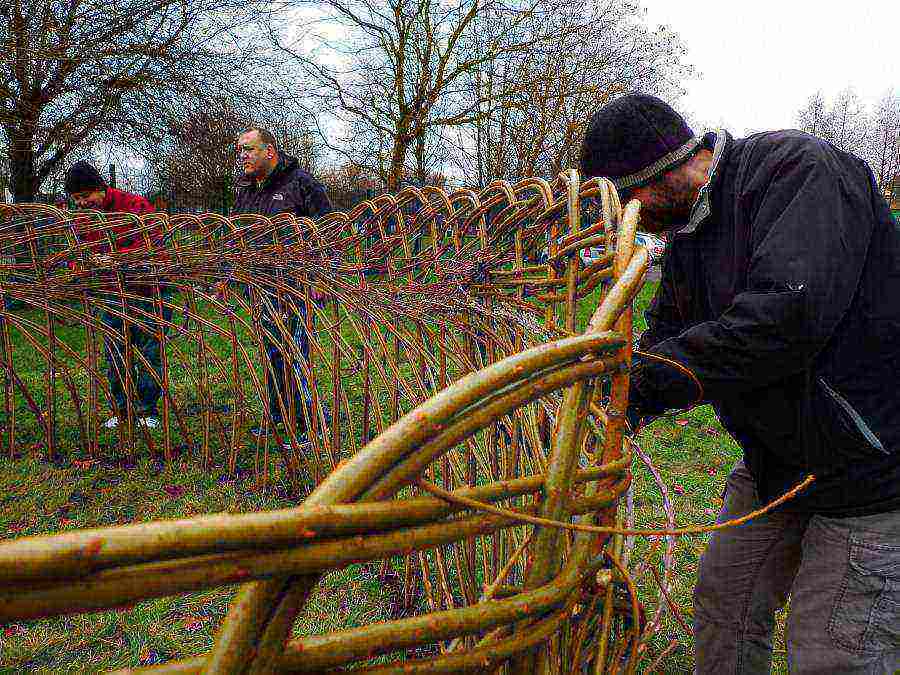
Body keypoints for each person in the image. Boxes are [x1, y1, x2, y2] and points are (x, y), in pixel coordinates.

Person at [580, 94, 900, 674]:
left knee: (833, 647)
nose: (635, 217)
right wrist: (616, 387)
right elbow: (665, 332)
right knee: (726, 600)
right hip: (779, 460)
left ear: (669, 169)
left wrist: (649, 381)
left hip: (871, 467)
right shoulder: (687, 237)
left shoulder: (799, 173)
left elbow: (786, 317)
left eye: (633, 200)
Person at [230, 128, 332, 444]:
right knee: (274, 352)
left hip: (297, 286)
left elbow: (328, 232)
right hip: (262, 285)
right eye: (240, 151)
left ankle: (312, 425)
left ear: (269, 151)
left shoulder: (301, 185)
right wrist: (230, 274)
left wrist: (321, 277)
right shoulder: (247, 191)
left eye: (249, 149)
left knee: (295, 353)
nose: (243, 156)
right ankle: (280, 416)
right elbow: (238, 235)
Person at [65, 161, 172, 430]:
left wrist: (113, 259)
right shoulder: (83, 219)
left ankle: (147, 409)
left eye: (85, 196)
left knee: (150, 352)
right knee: (115, 352)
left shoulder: (135, 206)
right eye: (76, 199)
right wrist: (80, 265)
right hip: (112, 293)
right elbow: (79, 252)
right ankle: (122, 409)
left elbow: (153, 246)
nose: (82, 203)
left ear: (100, 188)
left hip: (148, 291)